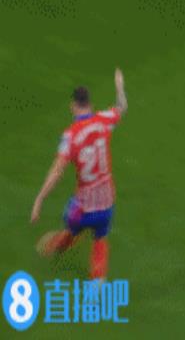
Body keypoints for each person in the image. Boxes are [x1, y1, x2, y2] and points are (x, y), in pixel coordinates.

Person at [30, 68, 128, 280]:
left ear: (73, 105)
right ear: (90, 103)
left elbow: (57, 171)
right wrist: (119, 85)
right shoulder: (104, 120)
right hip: (106, 204)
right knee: (100, 239)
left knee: (71, 225)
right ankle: (97, 284)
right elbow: (122, 107)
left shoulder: (70, 136)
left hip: (82, 208)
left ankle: (62, 242)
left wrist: (39, 198)